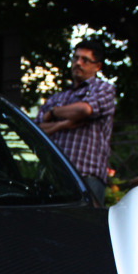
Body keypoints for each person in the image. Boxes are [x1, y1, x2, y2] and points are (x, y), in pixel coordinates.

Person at [36, 40, 116, 206]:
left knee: (85, 228)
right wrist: (62, 124)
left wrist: (54, 112)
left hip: (86, 175)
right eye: (75, 58)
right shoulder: (57, 97)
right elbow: (36, 130)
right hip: (53, 175)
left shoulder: (103, 89)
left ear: (97, 66)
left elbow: (84, 110)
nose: (78, 63)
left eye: (85, 60)